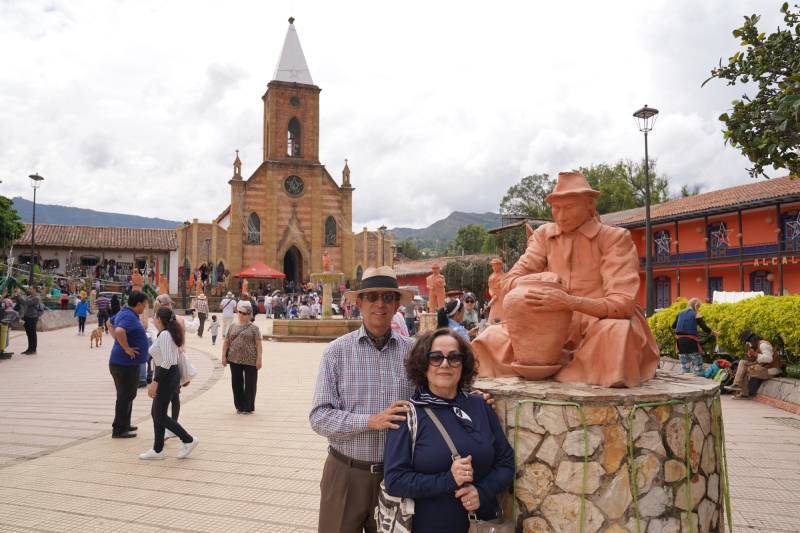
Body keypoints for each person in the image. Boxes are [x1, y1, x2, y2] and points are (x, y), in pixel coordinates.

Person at [496, 171, 660, 388]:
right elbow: (508, 282)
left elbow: (623, 304)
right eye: (556, 208)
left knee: (618, 333)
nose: (560, 216)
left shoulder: (614, 238)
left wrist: (569, 302)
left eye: (569, 208)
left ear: (590, 205)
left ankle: (574, 369)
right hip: (550, 325)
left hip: (599, 322)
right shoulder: (545, 236)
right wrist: (538, 280)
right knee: (491, 339)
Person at [310, 267, 417, 533]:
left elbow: (435, 401)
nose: (380, 303)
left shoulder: (414, 354)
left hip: (397, 477)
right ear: (359, 303)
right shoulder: (336, 353)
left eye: (387, 297)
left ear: (396, 305)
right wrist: (370, 420)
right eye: (372, 296)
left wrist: (475, 400)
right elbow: (319, 417)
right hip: (346, 474)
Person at [384, 329, 515, 533]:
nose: (445, 364)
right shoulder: (408, 415)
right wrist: (448, 479)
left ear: (463, 364)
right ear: (423, 364)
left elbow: (506, 461)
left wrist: (482, 492)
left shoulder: (480, 405)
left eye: (454, 357)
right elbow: (395, 481)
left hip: (482, 526)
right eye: (436, 357)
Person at [138, 306, 200, 460]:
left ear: (159, 319)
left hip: (167, 376)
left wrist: (155, 382)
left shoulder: (165, 334)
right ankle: (157, 449)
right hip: (167, 375)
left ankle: (188, 439)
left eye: (154, 316)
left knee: (160, 415)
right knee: (156, 413)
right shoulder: (165, 333)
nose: (152, 319)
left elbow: (167, 361)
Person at [107, 290, 150, 439]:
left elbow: (109, 323)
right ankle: (119, 429)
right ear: (138, 304)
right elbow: (119, 330)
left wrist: (119, 342)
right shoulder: (127, 315)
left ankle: (125, 423)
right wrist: (125, 347)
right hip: (123, 364)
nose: (145, 307)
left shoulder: (125, 313)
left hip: (128, 364)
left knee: (129, 394)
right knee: (125, 396)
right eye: (144, 304)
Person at [221, 301, 262, 414]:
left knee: (250, 383)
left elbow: (258, 345)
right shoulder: (232, 326)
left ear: (249, 315)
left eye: (244, 313)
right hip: (234, 358)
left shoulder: (254, 328)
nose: (241, 315)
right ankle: (240, 405)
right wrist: (224, 357)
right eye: (239, 312)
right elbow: (226, 342)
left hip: (250, 359)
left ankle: (248, 406)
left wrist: (259, 359)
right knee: (236, 382)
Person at [726, 330, 782, 400]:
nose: (749, 344)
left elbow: (769, 359)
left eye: (749, 342)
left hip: (770, 370)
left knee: (744, 370)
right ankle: (737, 384)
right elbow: (759, 359)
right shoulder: (758, 345)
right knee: (742, 362)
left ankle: (743, 392)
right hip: (764, 367)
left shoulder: (763, 345)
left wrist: (756, 355)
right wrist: (752, 356)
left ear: (752, 340)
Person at [671, 298, 720, 376]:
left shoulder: (680, 313)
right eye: (698, 307)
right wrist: (714, 333)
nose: (698, 309)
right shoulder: (696, 314)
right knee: (698, 369)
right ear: (696, 305)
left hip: (680, 343)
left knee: (684, 368)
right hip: (691, 343)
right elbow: (704, 328)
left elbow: (673, 327)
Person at [14, 285, 41, 355]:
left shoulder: (36, 298)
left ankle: (33, 349)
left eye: (30, 289)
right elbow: (21, 301)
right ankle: (29, 348)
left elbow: (25, 302)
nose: (29, 290)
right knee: (28, 334)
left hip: (32, 317)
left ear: (35, 290)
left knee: (32, 333)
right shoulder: (29, 297)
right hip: (27, 317)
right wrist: (16, 295)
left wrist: (19, 295)